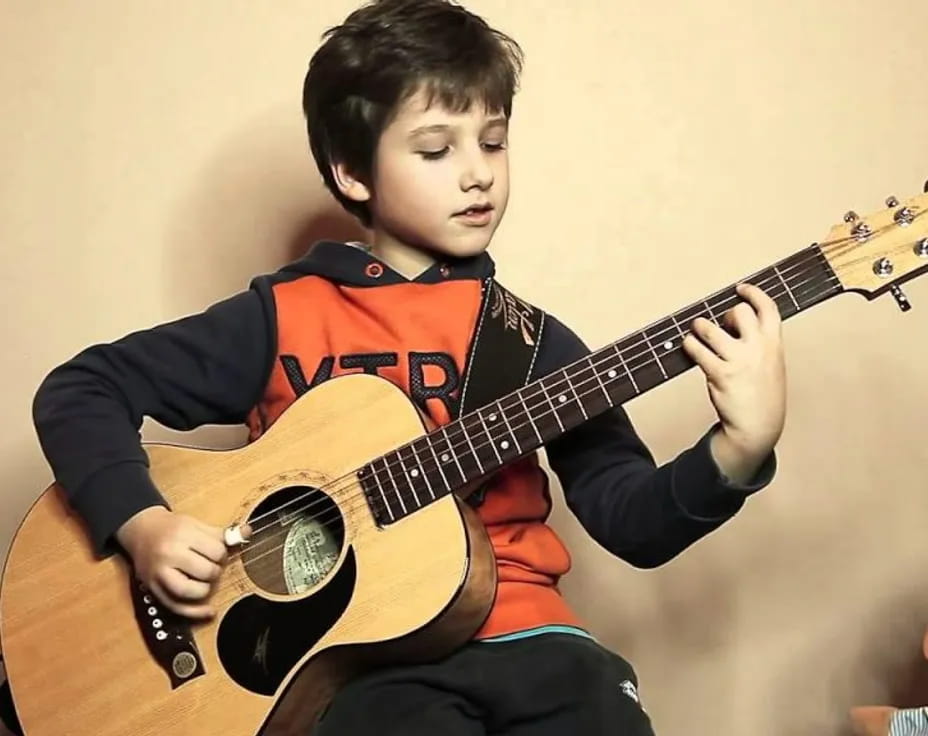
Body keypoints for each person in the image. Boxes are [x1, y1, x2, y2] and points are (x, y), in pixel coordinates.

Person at [18, 1, 786, 733]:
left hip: (533, 638)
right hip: (358, 663)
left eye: (493, 140)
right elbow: (83, 389)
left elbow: (632, 521)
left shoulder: (536, 346)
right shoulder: (282, 316)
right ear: (354, 174)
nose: (477, 173)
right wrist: (143, 523)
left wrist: (737, 450)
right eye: (435, 149)